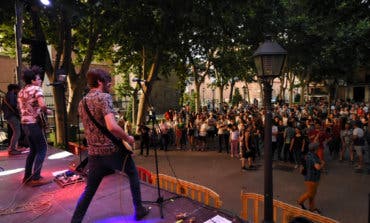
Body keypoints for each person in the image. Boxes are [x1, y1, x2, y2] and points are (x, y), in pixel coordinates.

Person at [71, 69, 149, 222]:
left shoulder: (82, 102)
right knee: (132, 173)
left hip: (94, 153)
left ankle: (75, 220)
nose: (111, 83)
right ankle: (139, 209)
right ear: (100, 82)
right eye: (108, 80)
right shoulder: (104, 97)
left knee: (89, 190)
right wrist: (128, 137)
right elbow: (112, 126)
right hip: (112, 151)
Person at [17, 66, 52, 186]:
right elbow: (42, 105)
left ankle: (27, 177)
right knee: (42, 148)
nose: (40, 80)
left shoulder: (21, 91)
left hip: (24, 123)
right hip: (33, 123)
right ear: (33, 80)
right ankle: (36, 178)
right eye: (38, 78)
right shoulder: (36, 89)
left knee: (33, 150)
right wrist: (47, 111)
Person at [297, 142, 325, 214]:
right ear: (315, 149)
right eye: (318, 148)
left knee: (312, 193)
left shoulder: (308, 155)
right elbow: (318, 167)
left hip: (309, 177)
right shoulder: (313, 156)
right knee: (310, 193)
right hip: (312, 178)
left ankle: (312, 208)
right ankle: (300, 201)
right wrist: (322, 164)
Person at [2, 84, 22, 155]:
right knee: (17, 132)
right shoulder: (11, 95)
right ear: (14, 89)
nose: (18, 91)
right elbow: (14, 105)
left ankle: (13, 148)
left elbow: (3, 107)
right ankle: (12, 149)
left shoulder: (6, 96)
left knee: (15, 132)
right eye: (17, 89)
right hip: (12, 116)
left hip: (9, 116)